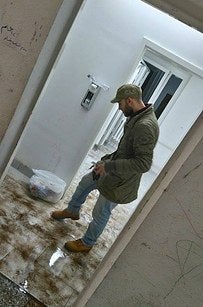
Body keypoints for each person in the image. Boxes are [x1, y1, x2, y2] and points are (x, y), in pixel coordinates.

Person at [51, 84, 159, 253]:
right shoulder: (136, 117)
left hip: (121, 182)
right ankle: (72, 211)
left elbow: (143, 164)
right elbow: (125, 149)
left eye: (120, 103)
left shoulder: (145, 126)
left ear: (130, 100)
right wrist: (105, 161)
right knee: (86, 182)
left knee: (101, 212)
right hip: (112, 170)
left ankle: (87, 243)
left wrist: (109, 166)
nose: (119, 107)